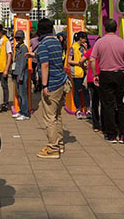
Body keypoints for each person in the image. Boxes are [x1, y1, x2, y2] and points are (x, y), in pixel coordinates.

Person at [90, 18, 124, 143]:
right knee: (122, 104)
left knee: (107, 105)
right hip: (120, 74)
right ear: (116, 28)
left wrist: (94, 74)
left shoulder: (100, 42)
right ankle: (123, 134)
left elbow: (92, 59)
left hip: (105, 75)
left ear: (105, 28)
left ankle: (111, 134)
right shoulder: (122, 42)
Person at [35, 18, 71, 159]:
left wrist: (44, 85)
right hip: (62, 82)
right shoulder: (56, 41)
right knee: (57, 115)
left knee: (49, 117)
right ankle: (59, 143)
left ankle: (52, 148)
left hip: (52, 84)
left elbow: (45, 65)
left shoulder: (43, 44)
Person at [68, 32, 89, 119]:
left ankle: (88, 109)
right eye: (84, 38)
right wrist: (79, 63)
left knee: (86, 90)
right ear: (80, 38)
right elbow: (69, 60)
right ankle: (78, 109)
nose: (85, 40)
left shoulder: (84, 47)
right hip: (77, 72)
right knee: (77, 90)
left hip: (85, 71)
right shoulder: (73, 47)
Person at [11, 30, 31, 120]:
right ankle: (21, 111)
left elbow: (23, 63)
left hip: (21, 73)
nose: (17, 39)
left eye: (19, 37)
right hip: (16, 72)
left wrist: (20, 75)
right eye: (16, 37)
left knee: (23, 94)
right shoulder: (17, 47)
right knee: (19, 94)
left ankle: (25, 113)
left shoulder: (24, 48)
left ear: (23, 38)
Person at [84, 40, 101, 131]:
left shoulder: (91, 51)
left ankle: (96, 125)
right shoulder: (102, 51)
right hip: (101, 77)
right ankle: (104, 123)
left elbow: (81, 60)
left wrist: (86, 68)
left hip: (91, 78)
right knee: (104, 102)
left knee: (94, 101)